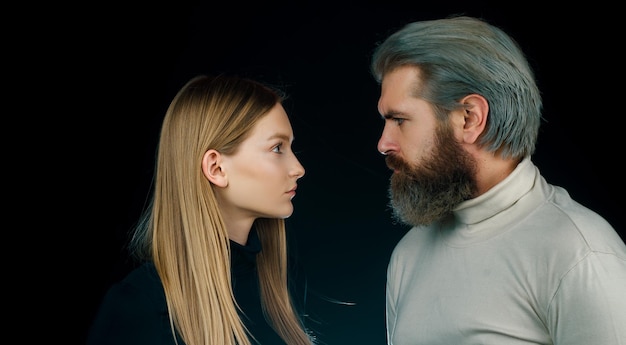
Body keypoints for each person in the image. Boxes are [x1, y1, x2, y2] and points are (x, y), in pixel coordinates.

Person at [370, 15, 626, 345]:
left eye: (400, 120)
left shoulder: (580, 255)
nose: (383, 143)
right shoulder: (409, 254)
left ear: (469, 118)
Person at [87, 74, 316, 345]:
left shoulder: (276, 290)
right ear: (216, 168)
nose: (298, 168)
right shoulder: (143, 306)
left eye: (290, 147)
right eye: (277, 147)